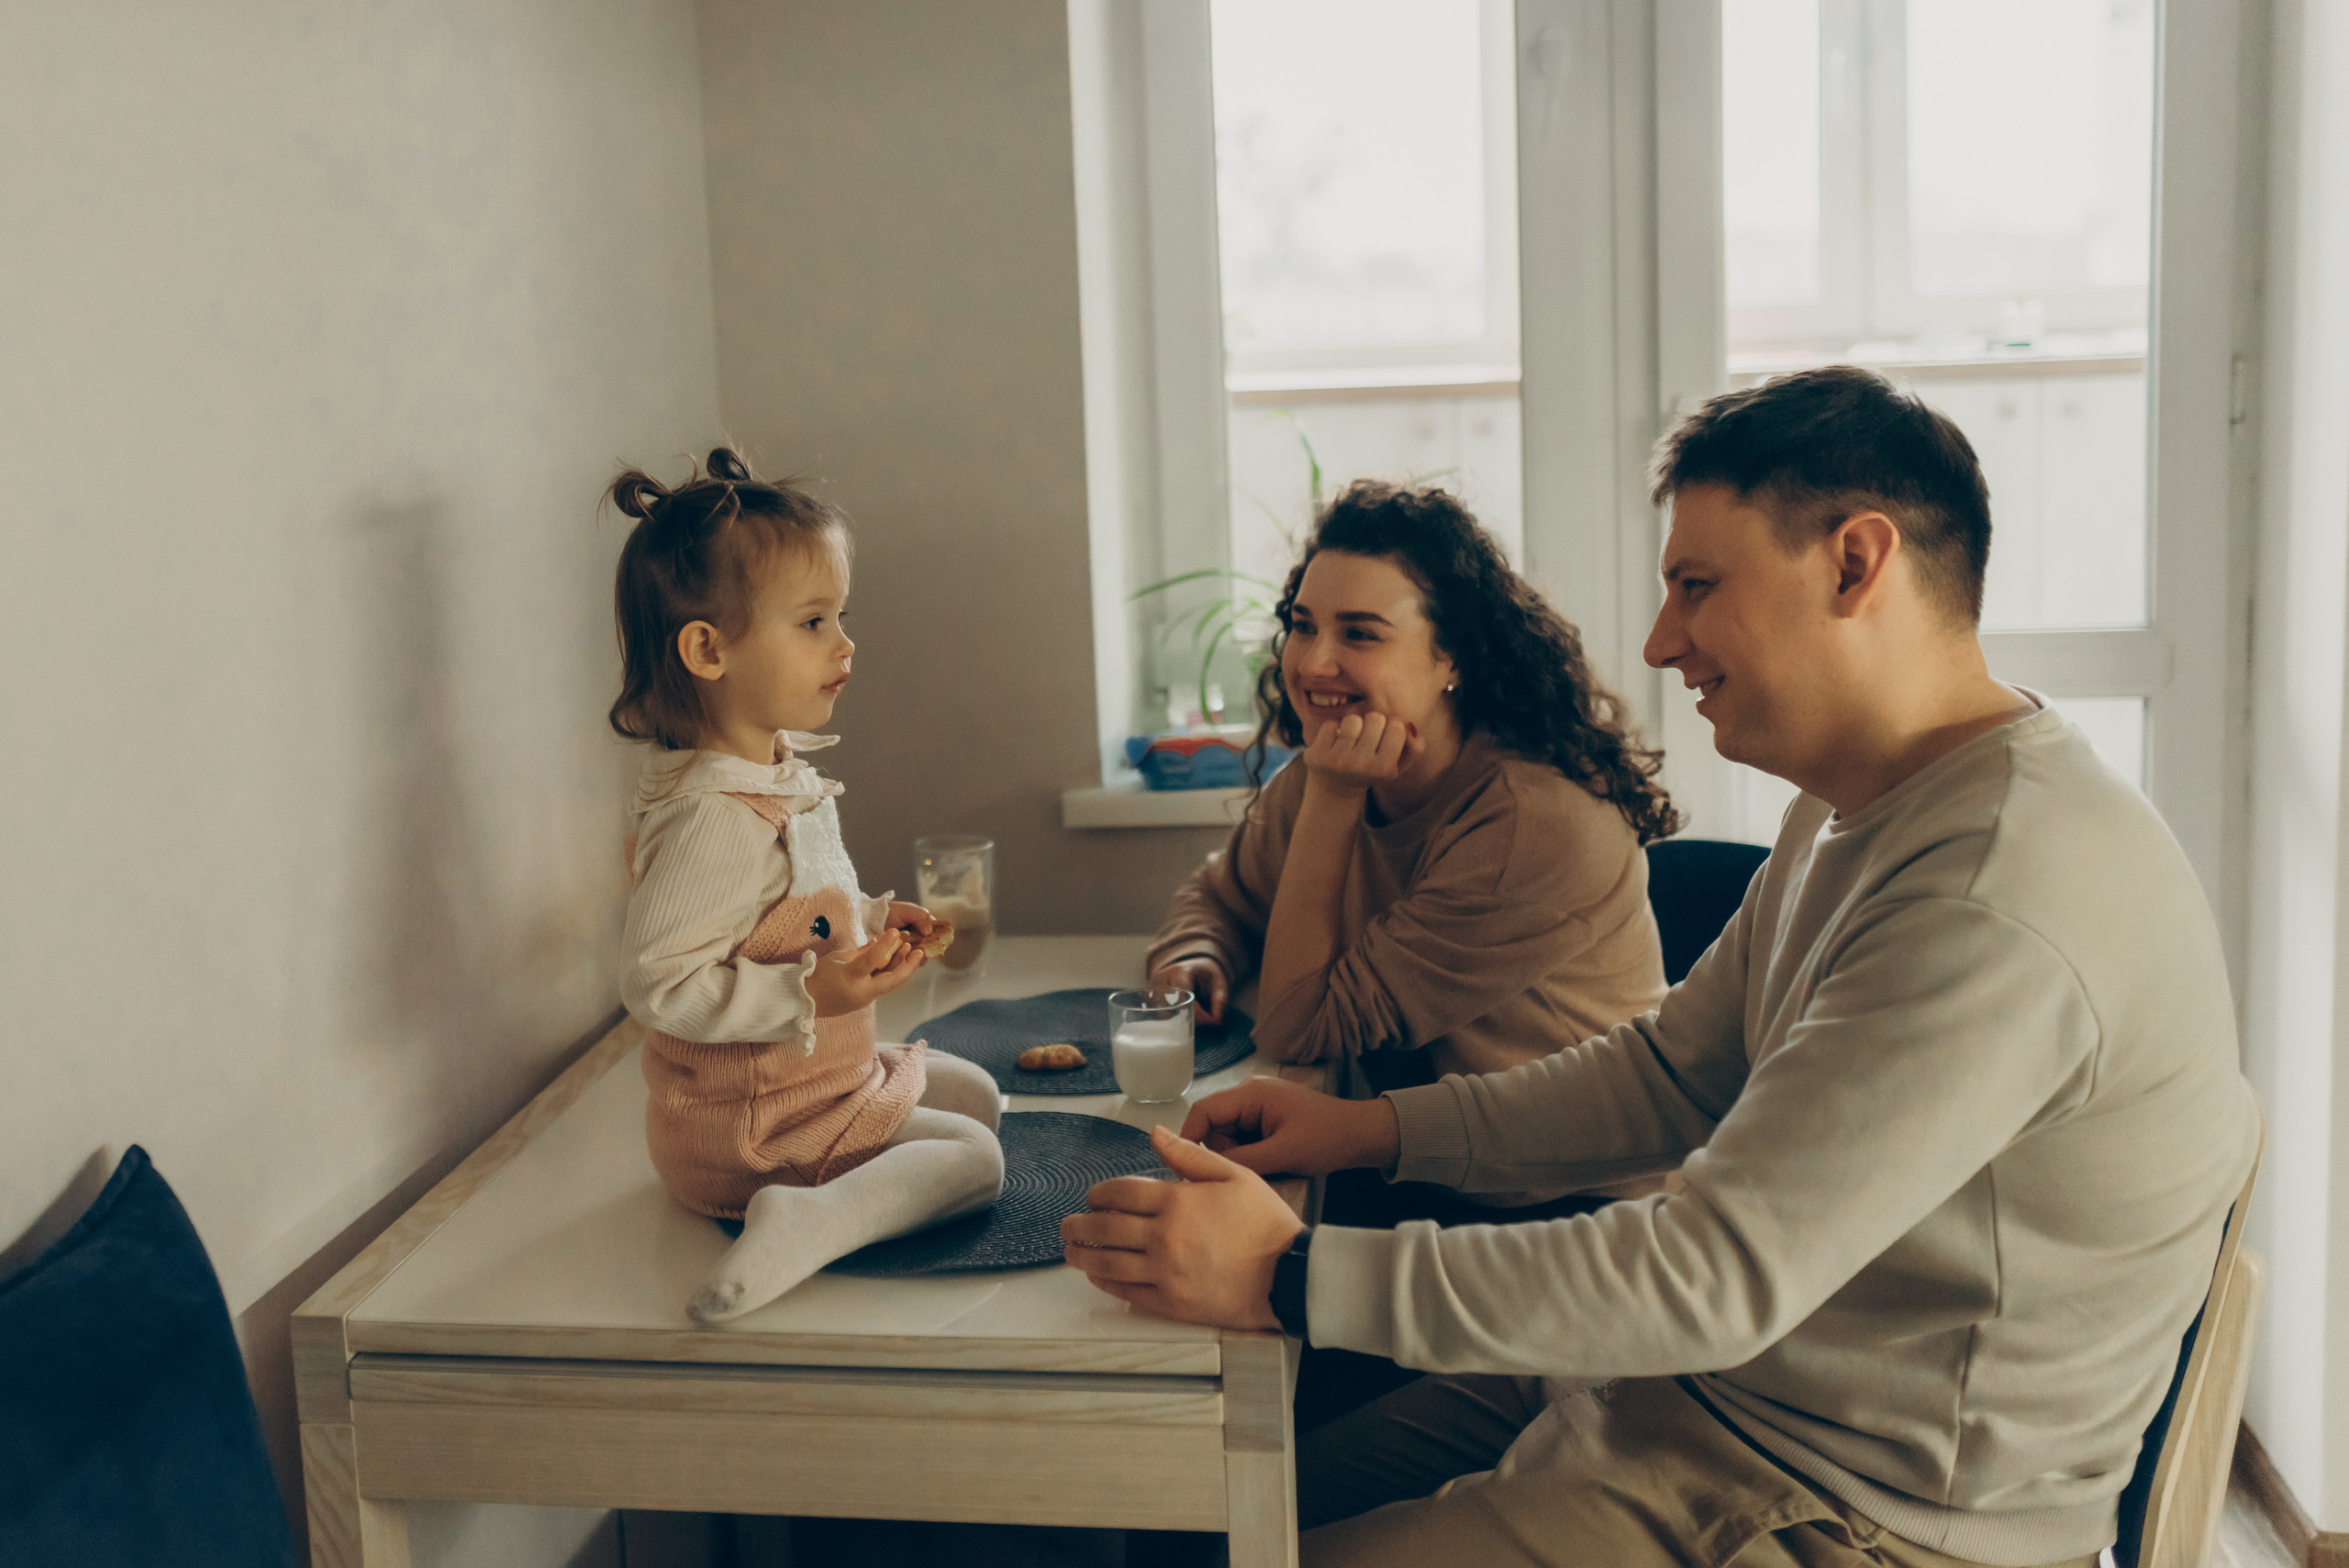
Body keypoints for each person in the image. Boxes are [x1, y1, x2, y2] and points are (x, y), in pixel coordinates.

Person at [1063, 367, 2261, 1568]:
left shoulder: (1998, 891)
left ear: (1856, 564)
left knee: (1231, 1539)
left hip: (1839, 1505)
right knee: (1192, 1512)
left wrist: (1294, 1275)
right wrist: (1366, 1132)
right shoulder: (1855, 808)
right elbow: (1671, 1072)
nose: (1658, 638)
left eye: (1697, 586)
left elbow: (1713, 1271)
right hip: (1702, 1390)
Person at [607, 449, 1003, 1324]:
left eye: (841, 616)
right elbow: (657, 980)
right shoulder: (713, 817)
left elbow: (782, 911)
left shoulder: (773, 772)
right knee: (976, 1158)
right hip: (751, 1130)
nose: (845, 644)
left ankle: (836, 1183)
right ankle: (803, 1218)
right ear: (708, 649)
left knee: (978, 1093)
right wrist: (808, 994)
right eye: (813, 622)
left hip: (814, 1084)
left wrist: (868, 917)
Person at [1144, 481, 1677, 1095]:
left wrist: (1333, 800)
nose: (1314, 662)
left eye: (1360, 633)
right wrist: (1195, 952)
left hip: (1560, 1182)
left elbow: (1295, 1028)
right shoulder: (1333, 769)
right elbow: (1224, 892)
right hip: (1412, 1152)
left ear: (1454, 656)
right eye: (1303, 624)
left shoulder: (1530, 820)